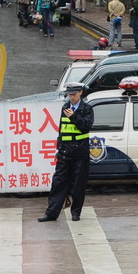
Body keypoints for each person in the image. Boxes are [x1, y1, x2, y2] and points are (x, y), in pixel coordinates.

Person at [38, 82, 95, 223]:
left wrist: (74, 116)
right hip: (65, 153)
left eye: (74, 95)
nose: (71, 97)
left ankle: (75, 212)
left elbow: (86, 127)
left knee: (78, 186)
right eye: (69, 95)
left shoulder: (87, 108)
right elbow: (62, 130)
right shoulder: (65, 107)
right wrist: (58, 148)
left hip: (80, 154)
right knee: (58, 184)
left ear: (80, 93)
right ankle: (51, 214)